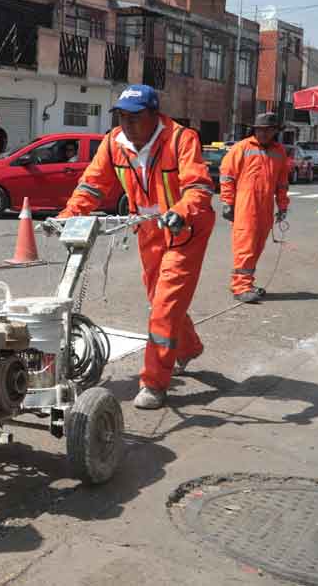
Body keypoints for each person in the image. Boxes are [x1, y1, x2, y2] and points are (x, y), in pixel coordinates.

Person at [57, 84, 215, 410]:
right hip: (148, 230)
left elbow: (198, 187)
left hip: (185, 230)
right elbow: (92, 183)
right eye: (122, 117)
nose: (127, 124)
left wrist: (181, 212)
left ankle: (155, 382)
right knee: (158, 295)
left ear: (154, 115)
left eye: (135, 117)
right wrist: (68, 217)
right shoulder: (114, 143)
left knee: (164, 305)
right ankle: (187, 347)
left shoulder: (180, 139)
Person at [219, 113, 291, 303]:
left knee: (257, 247)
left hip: (265, 207)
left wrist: (282, 206)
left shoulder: (279, 152)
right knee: (245, 247)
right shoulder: (241, 148)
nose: (264, 133)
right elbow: (227, 176)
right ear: (255, 130)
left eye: (268, 130)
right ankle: (241, 287)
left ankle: (245, 283)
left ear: (275, 131)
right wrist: (227, 202)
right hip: (246, 206)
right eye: (260, 129)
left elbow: (282, 183)